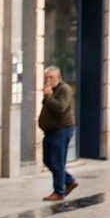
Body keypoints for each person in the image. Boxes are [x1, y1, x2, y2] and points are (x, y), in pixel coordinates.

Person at [39, 65, 77, 202]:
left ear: (59, 78)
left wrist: (48, 96)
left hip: (62, 130)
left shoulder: (64, 89)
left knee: (57, 161)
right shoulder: (53, 90)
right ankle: (69, 180)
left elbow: (60, 108)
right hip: (50, 131)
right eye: (46, 77)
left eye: (51, 77)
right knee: (48, 160)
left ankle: (59, 191)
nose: (48, 80)